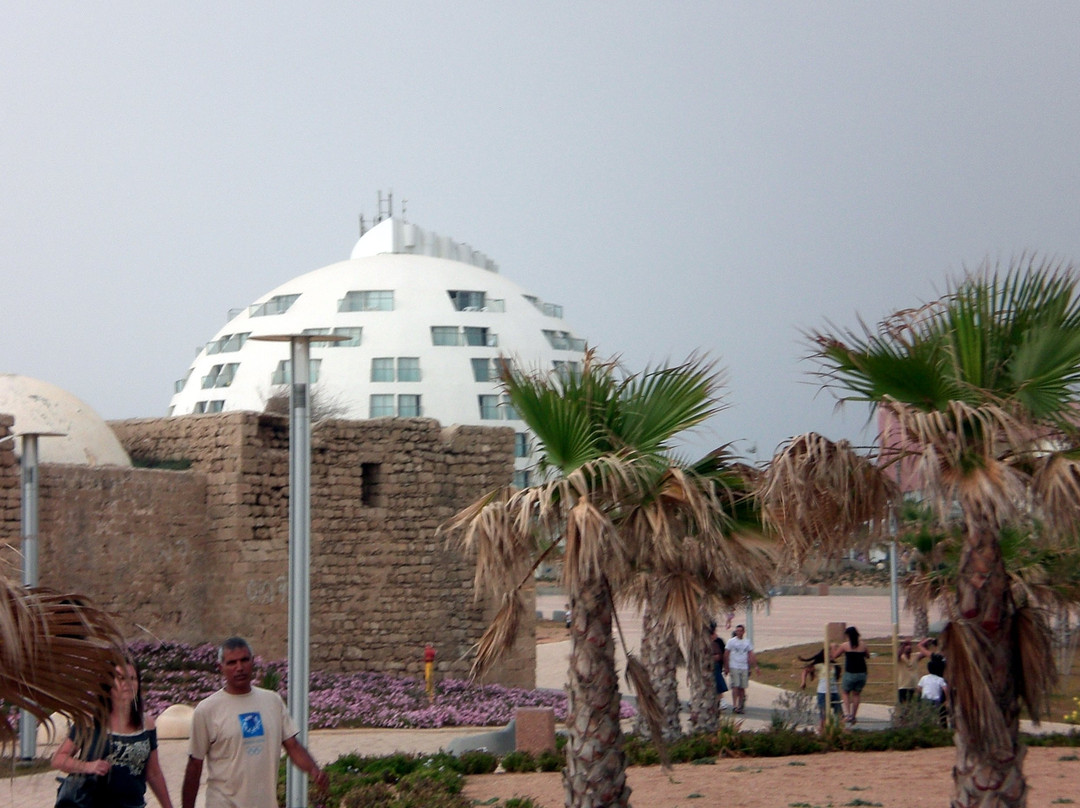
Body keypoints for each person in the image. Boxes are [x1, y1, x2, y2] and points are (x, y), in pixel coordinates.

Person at [182, 637, 328, 808]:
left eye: (244, 660)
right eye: (232, 663)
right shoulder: (207, 710)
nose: (239, 668)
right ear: (221, 667)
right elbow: (195, 764)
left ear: (253, 662)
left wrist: (314, 770)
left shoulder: (272, 701)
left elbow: (293, 745)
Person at [52, 657, 173, 808]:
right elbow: (58, 759)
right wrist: (88, 766)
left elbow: (153, 773)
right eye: (121, 678)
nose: (128, 684)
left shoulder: (146, 724)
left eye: (133, 678)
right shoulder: (90, 721)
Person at [831, 625, 870, 725]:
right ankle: (853, 715)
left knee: (845, 692)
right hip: (862, 673)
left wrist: (834, 647)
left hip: (850, 673)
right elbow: (868, 656)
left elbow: (834, 656)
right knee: (856, 694)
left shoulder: (845, 646)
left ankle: (847, 714)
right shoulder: (863, 645)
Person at [799, 649, 841, 733]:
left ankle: (837, 730)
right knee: (824, 714)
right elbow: (805, 671)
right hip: (823, 692)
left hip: (834, 692)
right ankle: (821, 731)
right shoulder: (820, 665)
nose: (831, 655)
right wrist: (803, 682)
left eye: (831, 654)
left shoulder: (835, 665)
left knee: (838, 712)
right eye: (829, 654)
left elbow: (837, 677)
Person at [723, 624, 759, 714]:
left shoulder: (747, 642)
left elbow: (751, 654)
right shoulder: (731, 642)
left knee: (742, 687)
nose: (739, 632)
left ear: (743, 632)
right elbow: (726, 654)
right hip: (734, 666)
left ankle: (740, 705)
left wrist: (755, 666)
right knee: (735, 686)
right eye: (737, 631)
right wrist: (726, 667)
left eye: (740, 631)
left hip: (744, 667)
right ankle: (735, 705)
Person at [897, 637, 933, 703]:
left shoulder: (915, 656)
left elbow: (925, 652)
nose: (909, 647)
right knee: (903, 707)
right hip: (903, 686)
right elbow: (897, 655)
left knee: (914, 705)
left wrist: (926, 642)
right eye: (907, 646)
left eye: (910, 645)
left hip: (914, 686)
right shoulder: (900, 657)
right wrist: (903, 644)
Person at [919, 653, 950, 727]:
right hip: (936, 700)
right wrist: (947, 700)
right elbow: (945, 689)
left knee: (926, 716)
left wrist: (922, 693)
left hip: (925, 699)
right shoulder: (940, 679)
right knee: (940, 716)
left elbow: (919, 688)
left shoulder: (924, 678)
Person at [709, 621, 729, 710]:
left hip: (716, 667)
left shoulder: (718, 641)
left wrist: (726, 666)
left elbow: (722, 655)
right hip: (707, 668)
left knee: (717, 685)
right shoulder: (701, 641)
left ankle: (721, 701)